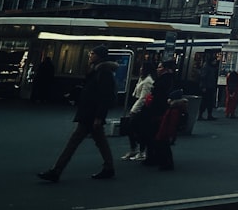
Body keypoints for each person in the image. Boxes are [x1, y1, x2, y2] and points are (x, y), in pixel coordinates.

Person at [37, 45, 118, 182]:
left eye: (92, 53)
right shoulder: (99, 71)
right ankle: (108, 167)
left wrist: (99, 116)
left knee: (73, 142)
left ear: (99, 56)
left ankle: (57, 170)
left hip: (90, 113)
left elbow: (104, 96)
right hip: (90, 113)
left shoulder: (102, 72)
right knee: (100, 142)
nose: (90, 55)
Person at [140, 60, 177, 167]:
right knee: (158, 136)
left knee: (157, 135)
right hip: (160, 110)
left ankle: (159, 159)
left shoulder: (164, 81)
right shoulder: (169, 79)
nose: (157, 69)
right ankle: (157, 158)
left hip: (158, 111)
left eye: (160, 67)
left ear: (165, 69)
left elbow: (159, 96)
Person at [121, 60, 156, 161]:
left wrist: (134, 109)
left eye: (142, 67)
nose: (140, 69)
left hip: (142, 109)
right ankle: (136, 149)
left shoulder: (148, 81)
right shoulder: (142, 78)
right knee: (134, 129)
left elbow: (143, 97)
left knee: (136, 128)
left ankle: (140, 151)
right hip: (138, 105)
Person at [150, 89, 188, 171]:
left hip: (165, 131)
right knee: (165, 148)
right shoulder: (175, 108)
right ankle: (167, 163)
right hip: (166, 131)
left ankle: (166, 164)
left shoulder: (173, 109)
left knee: (163, 148)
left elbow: (170, 122)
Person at [198, 53, 219, 121]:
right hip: (207, 87)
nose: (215, 62)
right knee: (205, 101)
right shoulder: (206, 67)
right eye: (214, 60)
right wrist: (204, 87)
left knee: (210, 101)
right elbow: (203, 77)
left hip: (210, 86)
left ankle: (209, 114)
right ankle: (200, 115)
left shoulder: (211, 67)